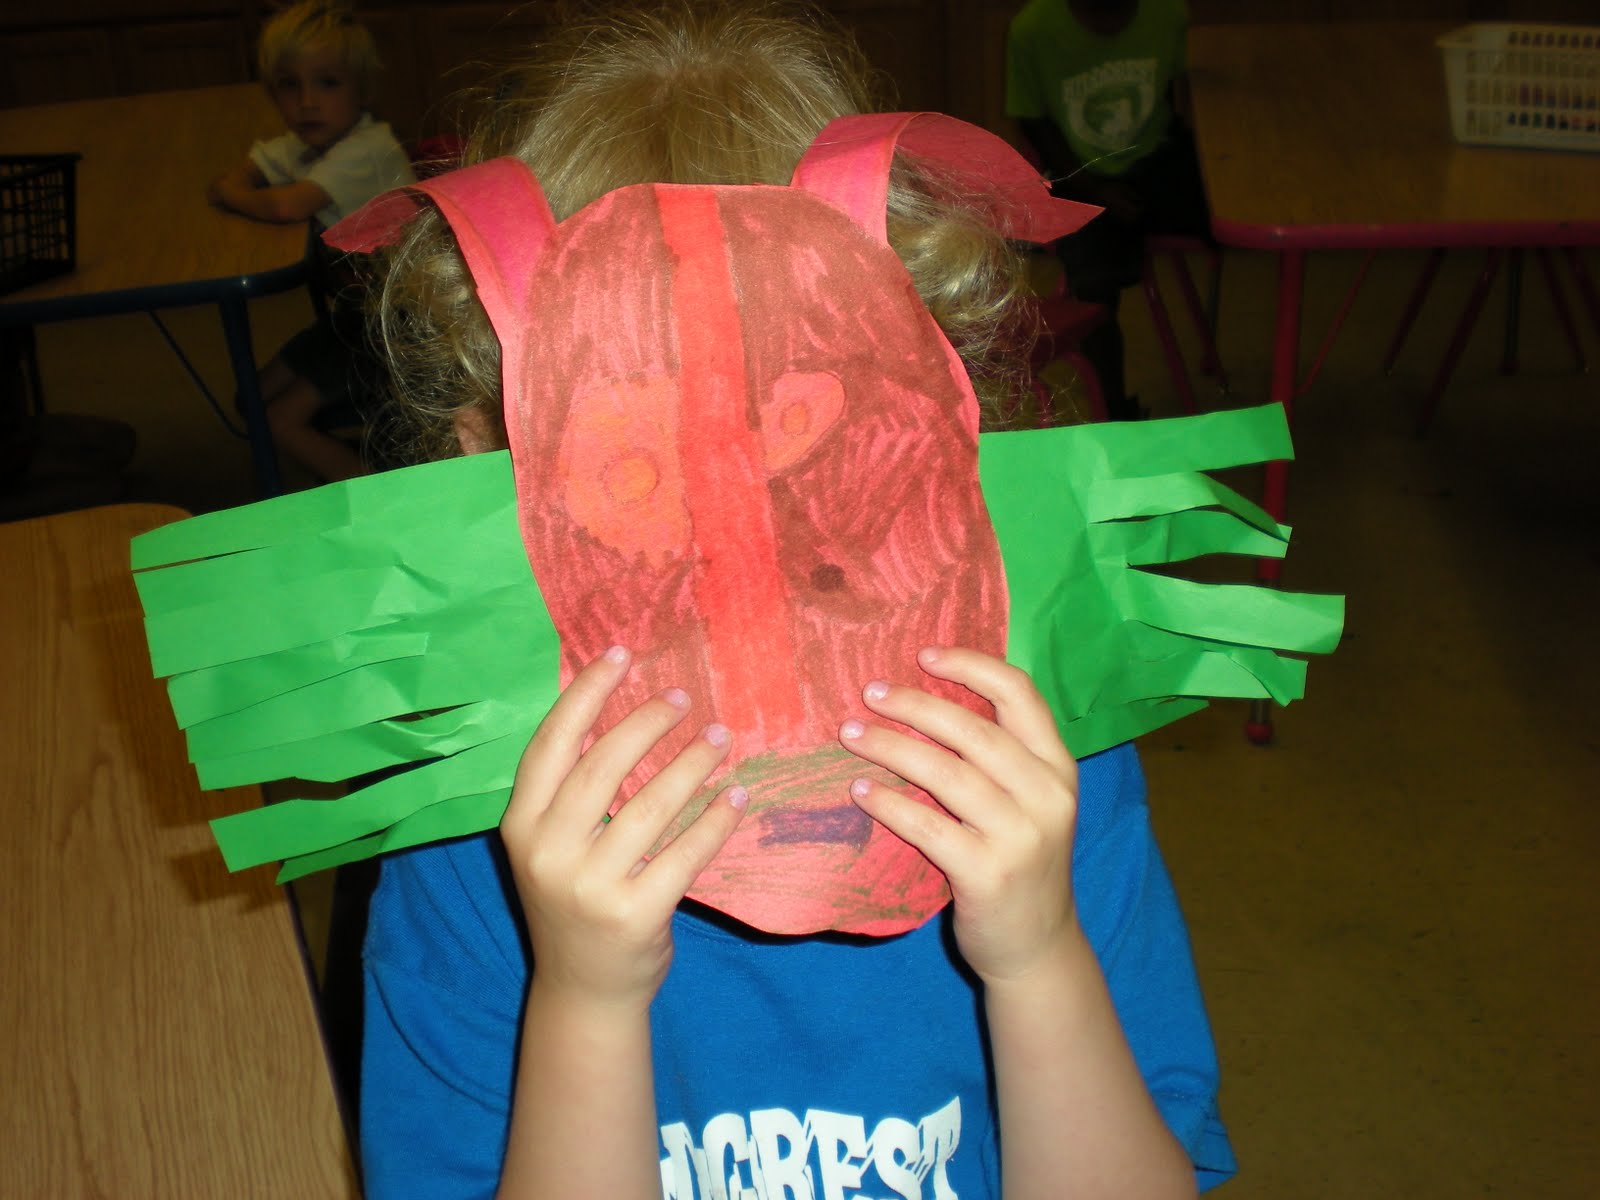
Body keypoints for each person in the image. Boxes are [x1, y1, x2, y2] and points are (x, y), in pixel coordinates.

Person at [343, 3, 1235, 1196]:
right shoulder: (469, 843)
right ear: (481, 470)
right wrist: (588, 998)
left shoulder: (1031, 777)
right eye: (631, 470)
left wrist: (1033, 959)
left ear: (948, 429)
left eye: (810, 441)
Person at [207, 0, 414, 482]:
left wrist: (232, 194)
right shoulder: (313, 142)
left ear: (361, 90)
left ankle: (380, 499)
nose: (306, 102)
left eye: (327, 83)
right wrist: (239, 183)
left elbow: (286, 205)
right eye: (288, 85)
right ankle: (359, 445)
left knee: (278, 420)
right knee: (251, 398)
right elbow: (256, 163)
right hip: (355, 315)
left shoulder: (368, 148)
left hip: (397, 323)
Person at [1005, 0, 1211, 420]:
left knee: (1233, 213)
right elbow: (1034, 123)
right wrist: (1094, 188)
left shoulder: (1168, 15)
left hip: (1152, 160)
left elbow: (1179, 99)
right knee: (1095, 283)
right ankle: (1115, 411)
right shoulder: (1032, 30)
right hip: (1078, 173)